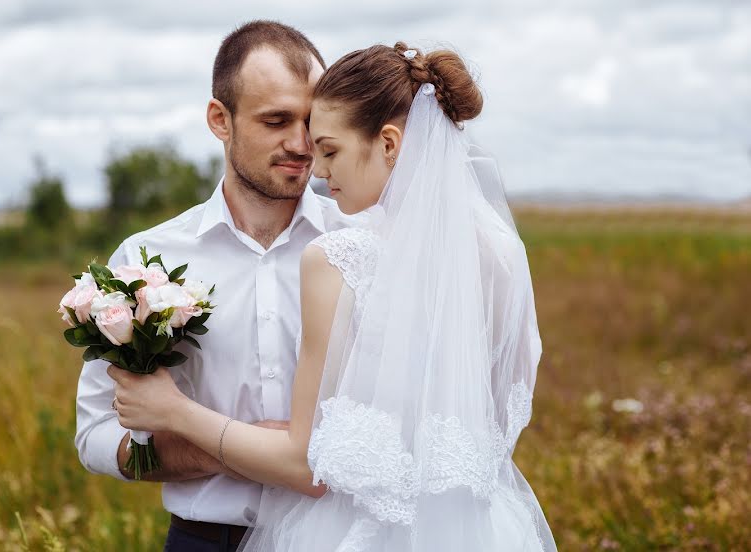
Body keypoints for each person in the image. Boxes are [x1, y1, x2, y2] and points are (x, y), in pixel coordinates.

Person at [108, 41, 558, 550]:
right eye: (278, 122)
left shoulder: (338, 257)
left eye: (328, 148)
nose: (314, 167)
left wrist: (173, 411)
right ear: (221, 119)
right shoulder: (502, 254)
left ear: (388, 144)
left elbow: (307, 465)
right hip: (477, 531)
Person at [75, 20, 363, 552]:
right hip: (206, 541)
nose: (301, 144)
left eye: (311, 120)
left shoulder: (362, 245)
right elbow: (95, 436)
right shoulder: (146, 259)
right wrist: (229, 451)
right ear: (219, 119)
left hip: (344, 538)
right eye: (276, 120)